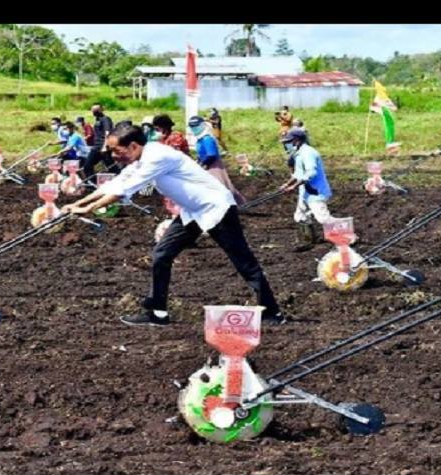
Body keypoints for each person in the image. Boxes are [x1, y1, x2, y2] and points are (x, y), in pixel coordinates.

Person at [61, 124, 286, 327]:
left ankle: (272, 312)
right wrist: (77, 203)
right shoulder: (139, 158)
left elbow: (123, 191)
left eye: (115, 150)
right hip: (193, 211)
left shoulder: (156, 156)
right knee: (162, 254)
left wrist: (87, 210)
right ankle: (158, 312)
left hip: (216, 208)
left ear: (132, 146)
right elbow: (115, 183)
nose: (112, 155)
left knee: (243, 261)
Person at [278, 128, 333, 244]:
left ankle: (347, 234)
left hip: (315, 191)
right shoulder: (299, 153)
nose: (288, 145)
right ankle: (307, 240)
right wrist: (287, 184)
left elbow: (310, 173)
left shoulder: (308, 153)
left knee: (322, 218)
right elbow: (298, 174)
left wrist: (293, 187)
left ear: (297, 140)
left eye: (289, 142)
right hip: (305, 191)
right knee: (300, 216)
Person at [187, 115, 246, 205]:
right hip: (206, 164)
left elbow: (211, 155)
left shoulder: (207, 139)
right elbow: (201, 153)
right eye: (192, 127)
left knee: (221, 186)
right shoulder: (200, 139)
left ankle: (236, 204)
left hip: (213, 166)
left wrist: (203, 164)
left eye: (196, 126)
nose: (194, 129)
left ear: (202, 125)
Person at [83, 104, 116, 179]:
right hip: (97, 146)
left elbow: (107, 133)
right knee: (110, 167)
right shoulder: (98, 120)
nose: (93, 112)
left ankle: (92, 184)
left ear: (101, 110)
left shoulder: (105, 119)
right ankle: (94, 184)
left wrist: (104, 146)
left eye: (95, 110)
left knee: (88, 166)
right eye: (92, 110)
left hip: (101, 147)